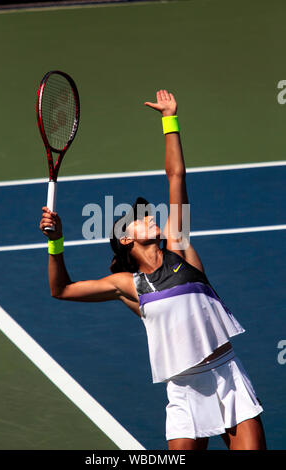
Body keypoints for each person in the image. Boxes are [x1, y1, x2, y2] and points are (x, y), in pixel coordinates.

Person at [39, 89, 266, 450]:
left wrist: (169, 120)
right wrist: (56, 241)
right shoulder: (128, 285)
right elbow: (61, 289)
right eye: (138, 219)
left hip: (226, 375)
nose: (148, 218)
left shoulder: (179, 248)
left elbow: (176, 175)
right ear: (126, 241)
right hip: (183, 388)